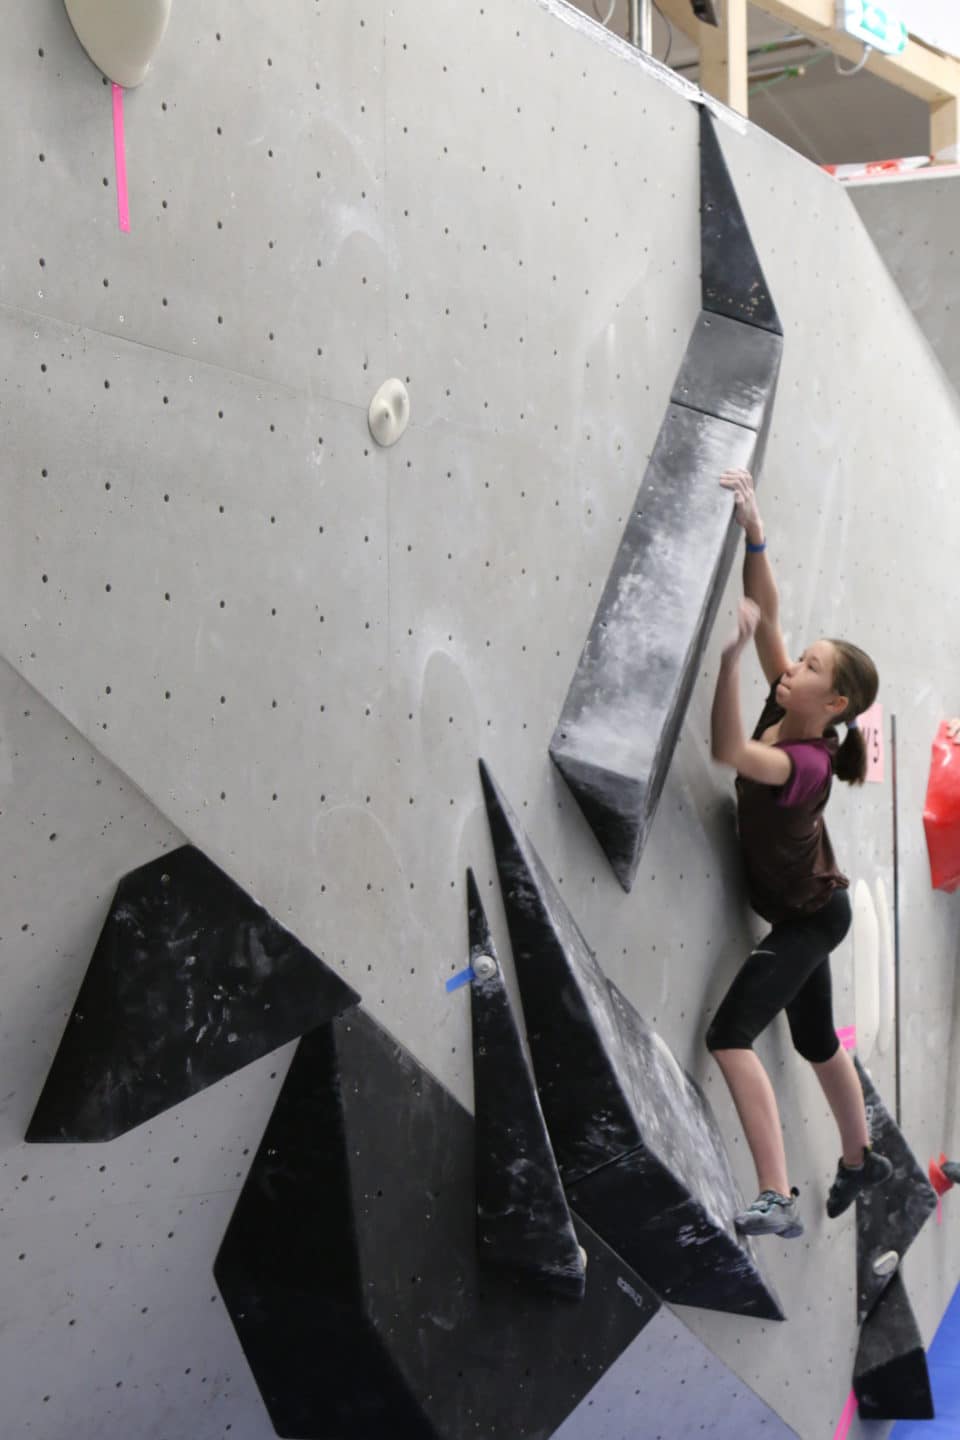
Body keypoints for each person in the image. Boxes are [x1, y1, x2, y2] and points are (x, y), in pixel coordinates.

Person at [706, 467, 892, 1238]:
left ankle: (775, 1195)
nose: (791, 669)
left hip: (811, 918)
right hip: (814, 907)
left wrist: (726, 663)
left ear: (835, 704)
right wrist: (755, 531)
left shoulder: (805, 763)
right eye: (802, 658)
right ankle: (860, 1161)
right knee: (816, 1040)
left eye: (810, 668)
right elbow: (770, 612)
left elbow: (727, 751)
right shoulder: (793, 701)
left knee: (729, 1036)